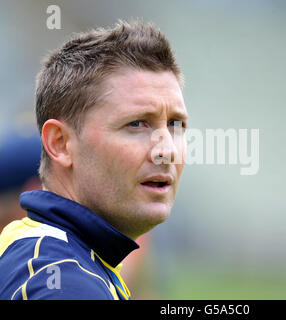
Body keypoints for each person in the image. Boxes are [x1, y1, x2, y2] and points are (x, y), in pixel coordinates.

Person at [0, 20, 188, 300]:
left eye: (175, 124)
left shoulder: (60, 256)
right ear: (60, 144)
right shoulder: (63, 281)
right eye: (137, 124)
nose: (167, 150)